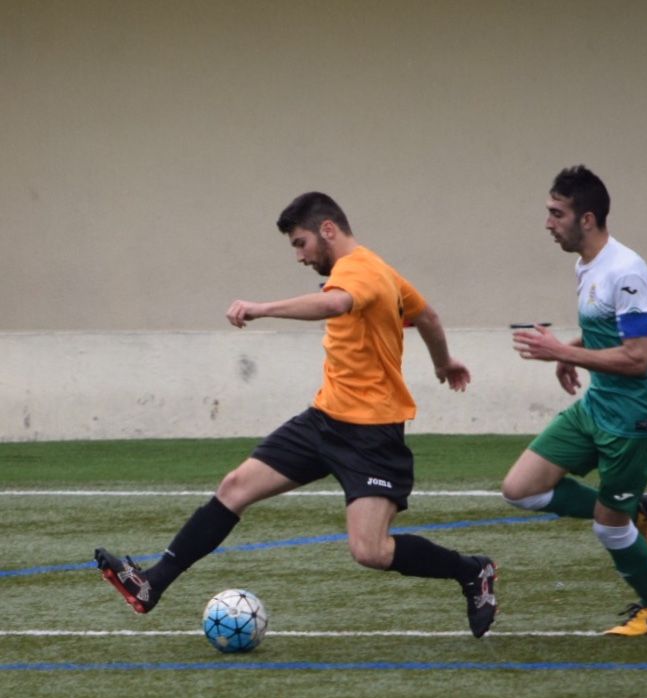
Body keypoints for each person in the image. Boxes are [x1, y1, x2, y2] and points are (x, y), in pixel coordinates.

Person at [95, 191, 497, 637]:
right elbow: (429, 317)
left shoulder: (359, 270)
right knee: (235, 486)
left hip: (371, 435)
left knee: (371, 551)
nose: (300, 256)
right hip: (323, 421)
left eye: (300, 243)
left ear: (328, 230)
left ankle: (471, 571)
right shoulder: (380, 270)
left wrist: (260, 308)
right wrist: (443, 362)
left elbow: (334, 304)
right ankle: (152, 583)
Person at [501, 166, 647, 636]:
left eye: (556, 213)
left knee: (608, 527)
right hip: (598, 406)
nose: (547, 223)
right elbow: (612, 328)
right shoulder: (587, 264)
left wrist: (563, 352)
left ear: (586, 218)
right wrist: (573, 350)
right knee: (520, 489)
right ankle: (633, 511)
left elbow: (638, 359)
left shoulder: (626, 272)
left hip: (634, 418)